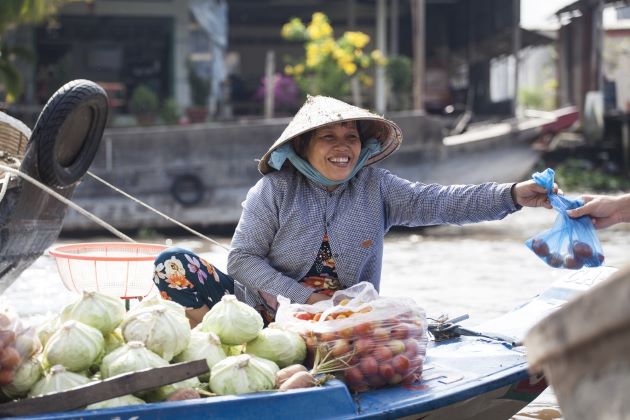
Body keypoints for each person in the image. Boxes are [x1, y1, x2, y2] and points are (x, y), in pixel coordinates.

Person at [153, 95, 556, 327]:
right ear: (303, 149)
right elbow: (241, 260)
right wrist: (305, 298)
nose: (342, 147)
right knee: (174, 263)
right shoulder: (275, 190)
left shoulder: (377, 187)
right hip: (257, 315)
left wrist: (514, 195)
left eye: (351, 137)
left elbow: (442, 201)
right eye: (328, 137)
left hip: (340, 322)